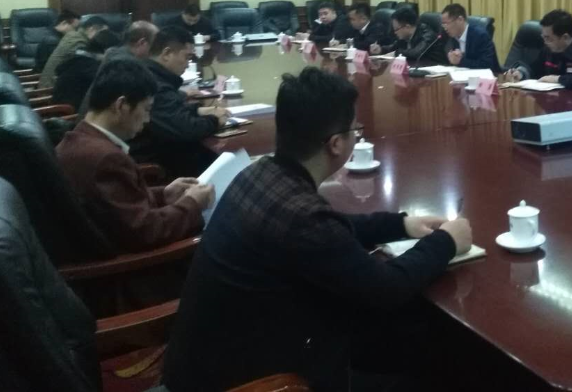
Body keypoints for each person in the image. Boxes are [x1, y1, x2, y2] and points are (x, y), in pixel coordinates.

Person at [162, 67, 472, 391]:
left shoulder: (260, 173)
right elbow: (387, 288)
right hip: (256, 381)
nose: (356, 136)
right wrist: (446, 242)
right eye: (355, 131)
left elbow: (327, 231)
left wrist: (400, 224)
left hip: (210, 360)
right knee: (421, 360)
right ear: (336, 144)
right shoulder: (303, 218)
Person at [56, 60, 214, 252]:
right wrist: (193, 203)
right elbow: (148, 232)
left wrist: (163, 194)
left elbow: (117, 205)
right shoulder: (105, 158)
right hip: (141, 266)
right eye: (146, 109)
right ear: (121, 105)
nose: (147, 119)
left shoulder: (78, 139)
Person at [130, 27, 229, 175]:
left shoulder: (148, 73)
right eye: (187, 57)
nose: (188, 64)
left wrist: (196, 110)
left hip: (157, 149)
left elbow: (168, 113)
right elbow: (187, 129)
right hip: (158, 162)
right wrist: (215, 120)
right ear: (167, 54)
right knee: (223, 160)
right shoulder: (155, 85)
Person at [504, 9, 572, 91]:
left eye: (548, 38)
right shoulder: (549, 48)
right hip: (554, 100)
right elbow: (535, 68)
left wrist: (558, 79)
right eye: (543, 37)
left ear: (565, 37)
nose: (545, 42)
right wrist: (521, 73)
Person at [52, 29, 121, 112]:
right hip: (70, 112)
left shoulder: (78, 57)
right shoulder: (91, 68)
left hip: (61, 106)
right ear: (107, 51)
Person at [37, 16, 108, 89]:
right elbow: (86, 66)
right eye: (103, 33)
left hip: (50, 84)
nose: (104, 36)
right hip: (50, 89)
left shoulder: (72, 35)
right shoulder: (79, 42)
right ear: (92, 29)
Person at [370, 6, 447, 65]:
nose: (395, 32)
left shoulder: (427, 34)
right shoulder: (405, 37)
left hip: (436, 71)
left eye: (396, 29)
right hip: (416, 68)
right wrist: (381, 49)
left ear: (407, 26)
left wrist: (396, 53)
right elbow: (394, 47)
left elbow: (416, 53)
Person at [441, 3, 500, 72]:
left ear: (460, 19)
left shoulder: (480, 36)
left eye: (447, 23)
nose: (445, 28)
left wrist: (461, 61)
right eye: (443, 24)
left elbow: (487, 65)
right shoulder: (450, 38)